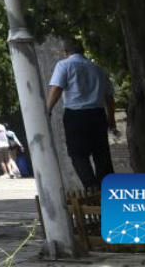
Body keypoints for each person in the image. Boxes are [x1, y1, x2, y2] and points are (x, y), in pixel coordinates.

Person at [46, 37, 117, 192]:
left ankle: (91, 186)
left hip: (76, 115)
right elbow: (109, 97)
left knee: (77, 153)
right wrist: (111, 120)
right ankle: (107, 188)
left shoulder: (64, 65)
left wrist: (48, 109)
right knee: (102, 154)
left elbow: (57, 88)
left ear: (66, 52)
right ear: (83, 51)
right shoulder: (98, 69)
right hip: (98, 115)